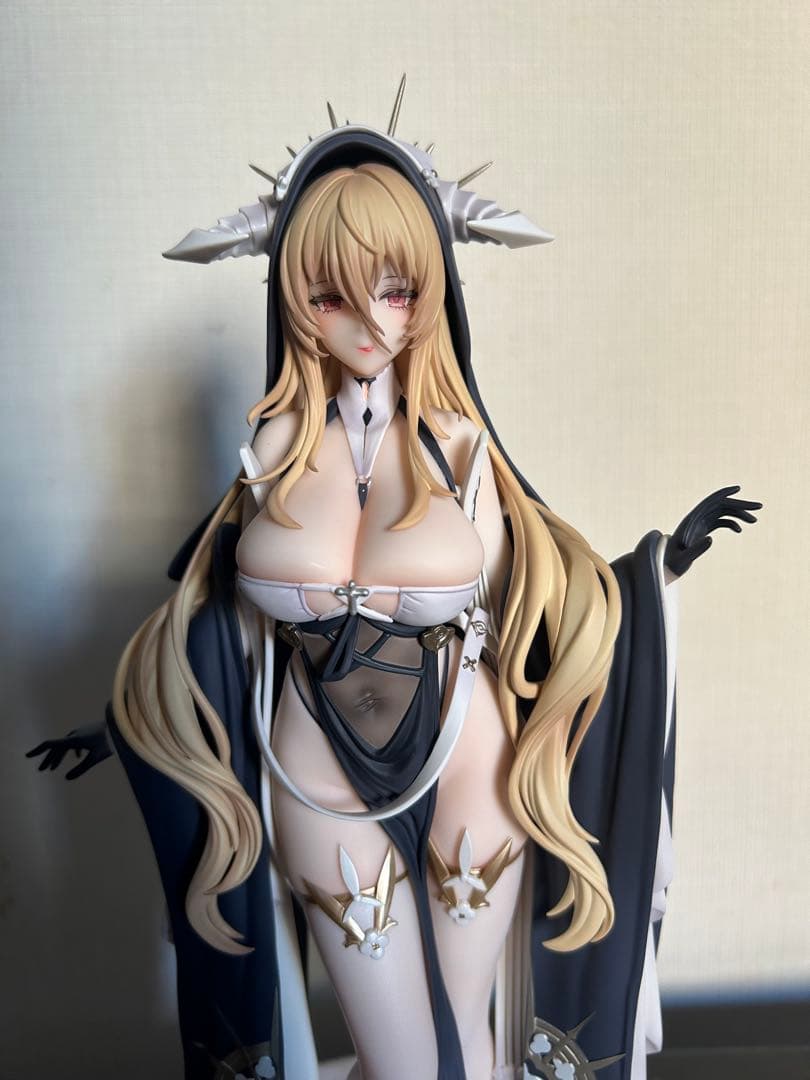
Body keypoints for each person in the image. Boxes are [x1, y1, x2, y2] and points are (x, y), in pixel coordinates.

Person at [29, 84, 760, 1080]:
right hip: (314, 767)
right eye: (331, 295)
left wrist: (659, 569)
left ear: (433, 289)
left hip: (468, 756)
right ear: (293, 299)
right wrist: (130, 723)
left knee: (466, 1043)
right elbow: (208, 624)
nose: (370, 321)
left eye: (398, 290)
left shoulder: (460, 447)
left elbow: (542, 590)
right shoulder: (272, 451)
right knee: (402, 1056)